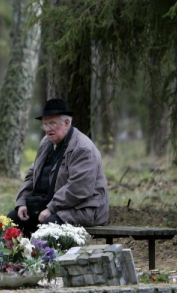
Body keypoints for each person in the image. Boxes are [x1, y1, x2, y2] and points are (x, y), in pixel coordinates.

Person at [8, 98, 109, 237]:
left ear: (67, 123)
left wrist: (51, 208)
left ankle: (43, 257)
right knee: (13, 219)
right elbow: (32, 175)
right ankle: (18, 257)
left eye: (52, 124)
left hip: (83, 209)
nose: (48, 129)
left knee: (49, 226)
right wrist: (21, 202)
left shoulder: (83, 149)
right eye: (45, 125)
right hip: (52, 206)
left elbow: (78, 189)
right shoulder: (46, 143)